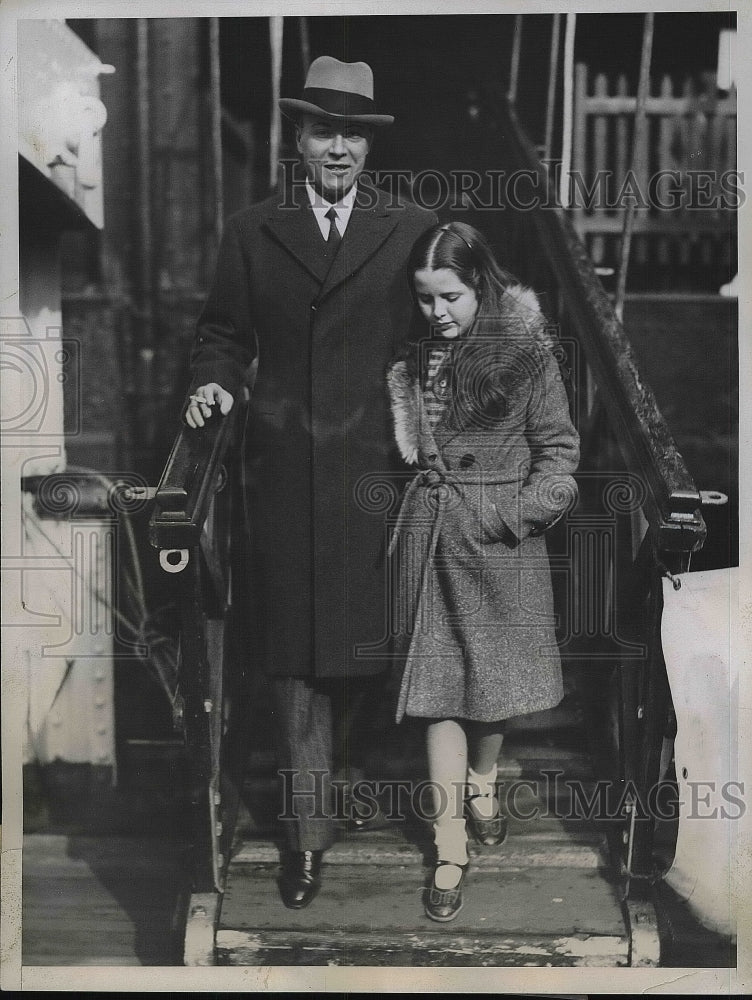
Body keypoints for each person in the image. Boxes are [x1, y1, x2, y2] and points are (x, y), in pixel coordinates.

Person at [184, 56, 436, 909]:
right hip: (285, 469)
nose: (339, 150)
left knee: (365, 649)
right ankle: (305, 839)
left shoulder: (413, 228)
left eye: (354, 136)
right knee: (293, 658)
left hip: (377, 468)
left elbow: (451, 324)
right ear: (297, 139)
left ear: (370, 148)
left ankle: (348, 776)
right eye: (324, 132)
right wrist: (213, 379)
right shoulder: (252, 231)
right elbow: (221, 332)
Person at [386, 221, 580, 922]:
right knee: (439, 695)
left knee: (490, 696)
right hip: (431, 538)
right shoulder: (413, 357)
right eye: (424, 298)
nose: (437, 313)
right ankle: (448, 845)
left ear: (481, 286)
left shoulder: (526, 357)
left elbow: (559, 456)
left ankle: (484, 780)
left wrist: (514, 516)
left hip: (499, 546)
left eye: (451, 297)